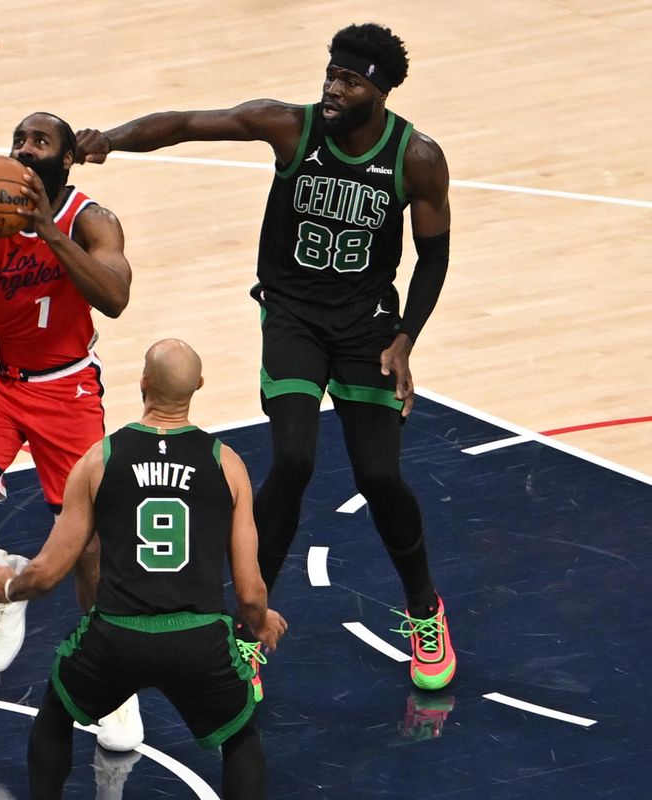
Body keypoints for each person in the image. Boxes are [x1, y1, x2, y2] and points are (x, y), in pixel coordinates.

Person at [75, 22, 456, 691]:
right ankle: (249, 628)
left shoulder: (416, 157)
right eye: (331, 73)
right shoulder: (291, 127)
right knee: (294, 459)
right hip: (294, 315)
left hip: (368, 326)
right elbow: (189, 123)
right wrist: (111, 138)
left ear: (382, 89)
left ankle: (426, 610)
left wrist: (405, 339)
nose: (333, 87)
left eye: (350, 79)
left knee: (380, 478)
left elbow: (434, 255)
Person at [0, 112, 142, 748]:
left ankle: (107, 678)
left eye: (40, 142)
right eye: (19, 139)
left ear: (66, 160)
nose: (24, 150)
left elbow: (116, 299)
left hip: (66, 387)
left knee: (88, 542)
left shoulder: (91, 220)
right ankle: (3, 582)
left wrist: (49, 235)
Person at [0, 339, 287, 800]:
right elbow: (249, 590)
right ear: (199, 387)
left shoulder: (99, 459)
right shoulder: (227, 464)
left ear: (142, 383)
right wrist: (261, 622)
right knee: (241, 735)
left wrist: (9, 587)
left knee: (56, 714)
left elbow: (47, 572)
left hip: (117, 636)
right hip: (198, 640)